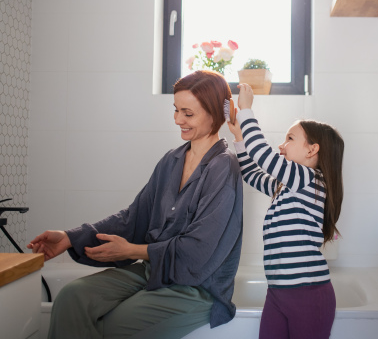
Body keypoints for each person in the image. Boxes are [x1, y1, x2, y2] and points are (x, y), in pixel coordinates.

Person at [28, 70, 244, 339]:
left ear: (215, 113)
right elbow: (134, 218)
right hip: (152, 271)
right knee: (71, 297)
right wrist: (70, 238)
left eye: (188, 114)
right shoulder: (171, 160)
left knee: (116, 323)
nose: (178, 120)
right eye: (176, 110)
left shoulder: (224, 166)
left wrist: (132, 250)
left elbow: (200, 249)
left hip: (197, 287)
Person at [227, 83, 345, 339]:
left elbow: (262, 154)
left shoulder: (308, 179)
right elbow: (251, 174)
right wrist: (239, 138)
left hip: (309, 294)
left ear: (312, 150)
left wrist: (246, 110)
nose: (281, 145)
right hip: (278, 291)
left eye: (290, 139)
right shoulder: (288, 186)